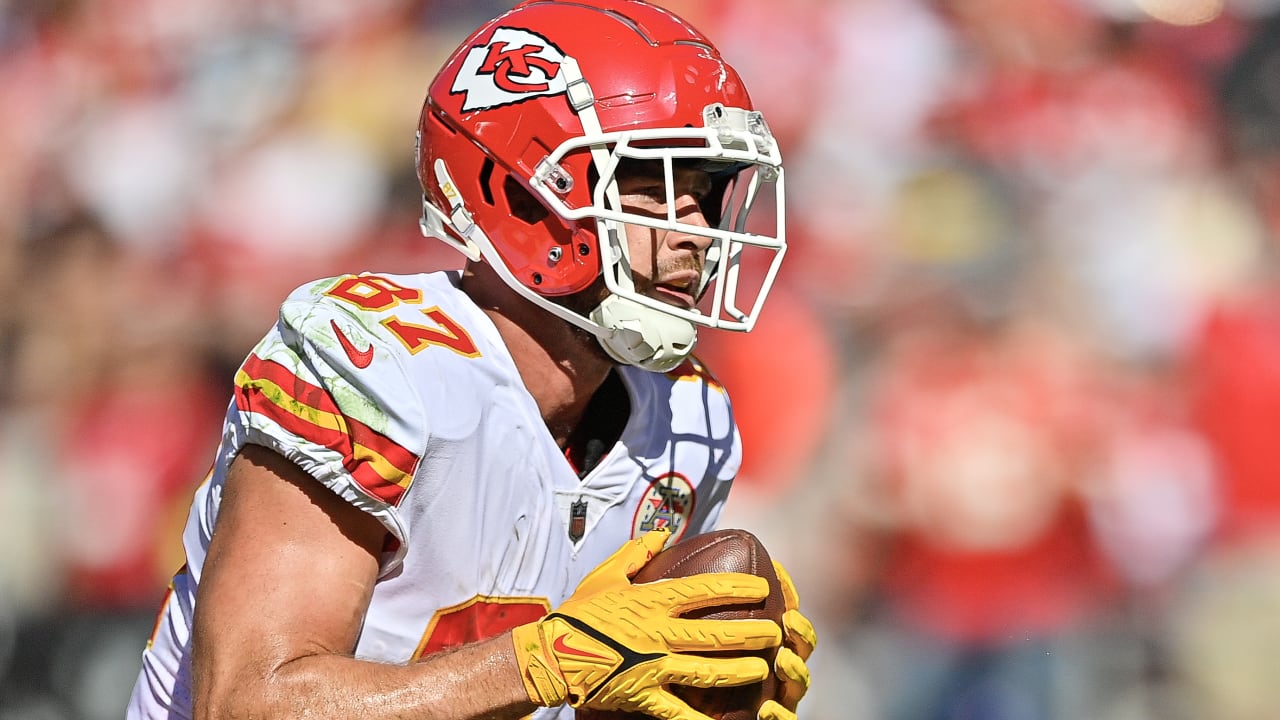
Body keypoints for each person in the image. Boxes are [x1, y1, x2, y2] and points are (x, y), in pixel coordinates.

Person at [126, 1, 816, 719]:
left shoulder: (687, 416)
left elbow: (593, 684)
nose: (696, 232)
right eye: (651, 186)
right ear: (517, 194)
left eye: (705, 193)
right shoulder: (375, 364)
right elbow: (247, 703)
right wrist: (551, 660)